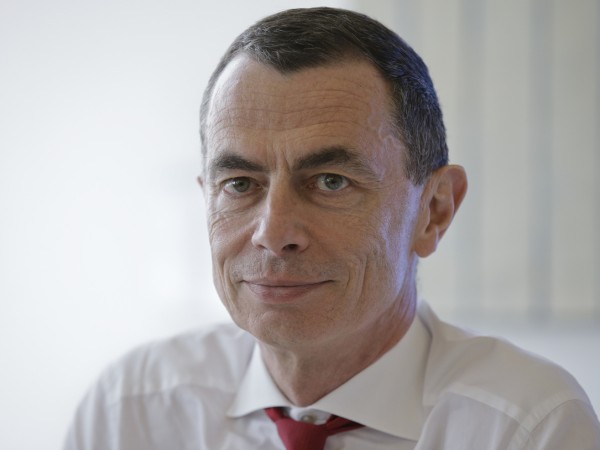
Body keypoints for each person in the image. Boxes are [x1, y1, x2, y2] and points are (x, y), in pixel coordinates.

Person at [63, 7, 600, 449]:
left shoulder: (528, 427)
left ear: (434, 210)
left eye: (331, 181)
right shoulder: (129, 411)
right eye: (240, 184)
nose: (274, 233)